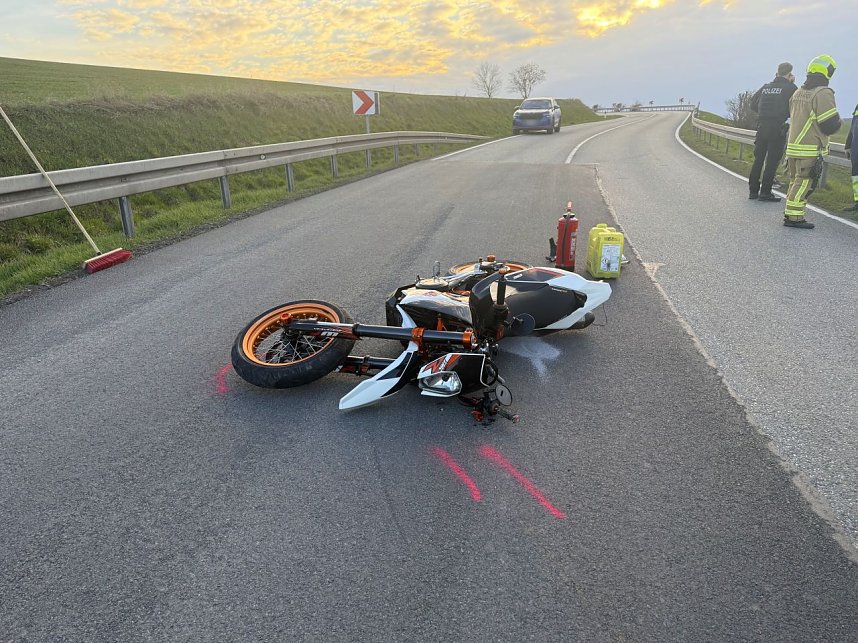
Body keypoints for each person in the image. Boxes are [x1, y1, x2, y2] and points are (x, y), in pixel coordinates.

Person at [783, 55, 841, 229]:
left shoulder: (798, 92)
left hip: (793, 147)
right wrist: (840, 122)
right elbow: (829, 125)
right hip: (809, 149)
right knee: (804, 183)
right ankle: (794, 218)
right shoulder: (823, 93)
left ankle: (791, 213)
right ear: (827, 73)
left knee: (795, 182)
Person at [748, 62, 796, 201]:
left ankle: (753, 191)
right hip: (778, 128)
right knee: (772, 161)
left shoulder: (766, 87)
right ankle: (765, 192)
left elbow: (752, 103)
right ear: (789, 74)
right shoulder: (791, 88)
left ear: (777, 72)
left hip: (762, 126)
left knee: (758, 159)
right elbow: (796, 106)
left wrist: (764, 113)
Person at [844, 103, 858, 212]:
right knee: (856, 176)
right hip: (855, 148)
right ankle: (857, 202)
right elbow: (853, 125)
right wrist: (848, 145)